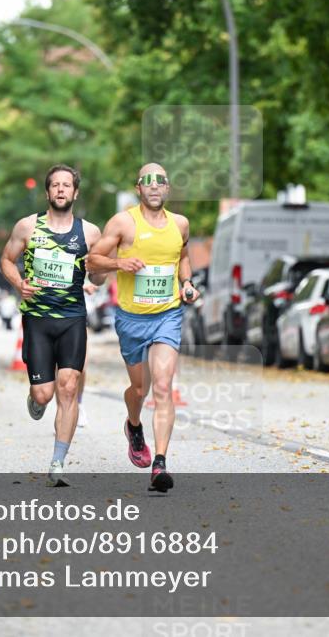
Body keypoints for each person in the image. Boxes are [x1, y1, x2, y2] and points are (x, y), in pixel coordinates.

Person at [85, 163, 200, 493]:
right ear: (138, 188)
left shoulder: (180, 224)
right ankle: (133, 425)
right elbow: (93, 261)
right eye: (147, 182)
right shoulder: (123, 222)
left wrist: (188, 284)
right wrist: (120, 262)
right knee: (140, 390)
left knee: (163, 386)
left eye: (160, 182)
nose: (154, 187)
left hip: (167, 315)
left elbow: (184, 258)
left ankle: (159, 463)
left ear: (167, 189)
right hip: (132, 319)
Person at [0, 164, 104, 487]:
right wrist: (19, 282)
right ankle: (35, 399)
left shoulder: (90, 233)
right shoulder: (28, 227)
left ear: (75, 192)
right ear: (47, 192)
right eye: (55, 185)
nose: (61, 190)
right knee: (45, 395)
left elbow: (99, 276)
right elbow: (6, 260)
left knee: (69, 387)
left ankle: (58, 462)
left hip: (72, 318)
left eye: (66, 185)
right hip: (37, 320)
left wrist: (96, 270)